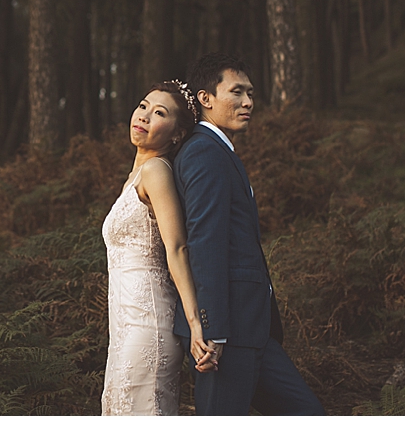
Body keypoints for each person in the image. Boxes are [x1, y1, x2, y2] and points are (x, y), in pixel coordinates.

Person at [172, 53, 325, 415]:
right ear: (206, 98)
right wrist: (212, 330)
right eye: (237, 92)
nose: (248, 102)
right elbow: (205, 243)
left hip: (253, 327)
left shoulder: (220, 151)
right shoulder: (203, 153)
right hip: (226, 333)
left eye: (251, 94)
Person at [101, 81, 217, 416]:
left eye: (160, 113)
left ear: (177, 135)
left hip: (147, 324)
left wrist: (197, 325)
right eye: (143, 106)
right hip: (124, 324)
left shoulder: (156, 171)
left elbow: (178, 248)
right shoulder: (135, 176)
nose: (145, 116)